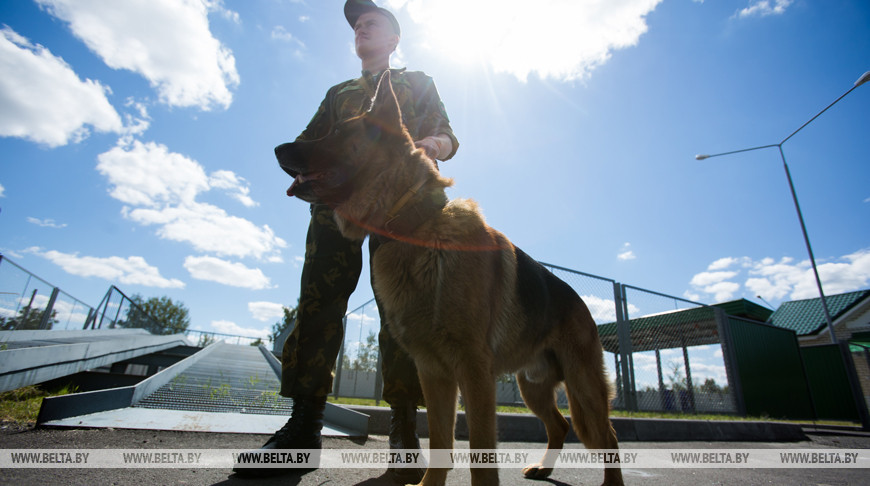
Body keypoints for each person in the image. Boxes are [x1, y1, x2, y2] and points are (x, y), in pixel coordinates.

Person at [234, 1, 458, 481]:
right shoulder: (339, 94)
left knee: (402, 312)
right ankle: (303, 428)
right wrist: (306, 173)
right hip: (336, 210)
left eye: (371, 21)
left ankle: (403, 432)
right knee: (318, 305)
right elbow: (307, 143)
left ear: (395, 38)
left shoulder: (417, 83)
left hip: (400, 207)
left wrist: (428, 148)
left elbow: (445, 135)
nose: (361, 27)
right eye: (356, 25)